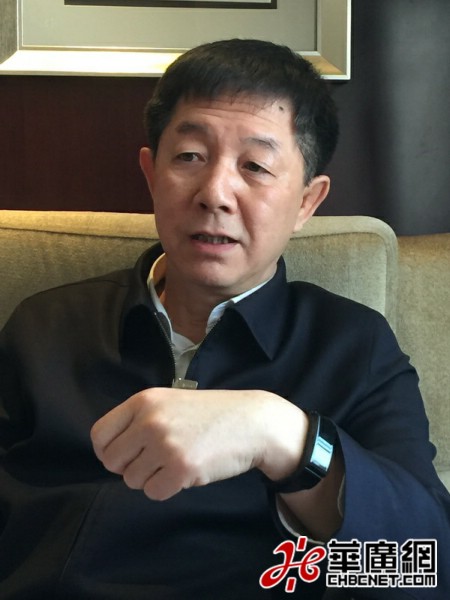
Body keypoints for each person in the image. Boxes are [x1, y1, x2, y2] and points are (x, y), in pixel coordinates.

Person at [0, 38, 449, 600]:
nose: (215, 193)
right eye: (190, 156)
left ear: (307, 202)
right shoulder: (47, 325)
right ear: (151, 173)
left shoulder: (351, 345)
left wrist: (280, 435)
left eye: (256, 166)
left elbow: (426, 569)